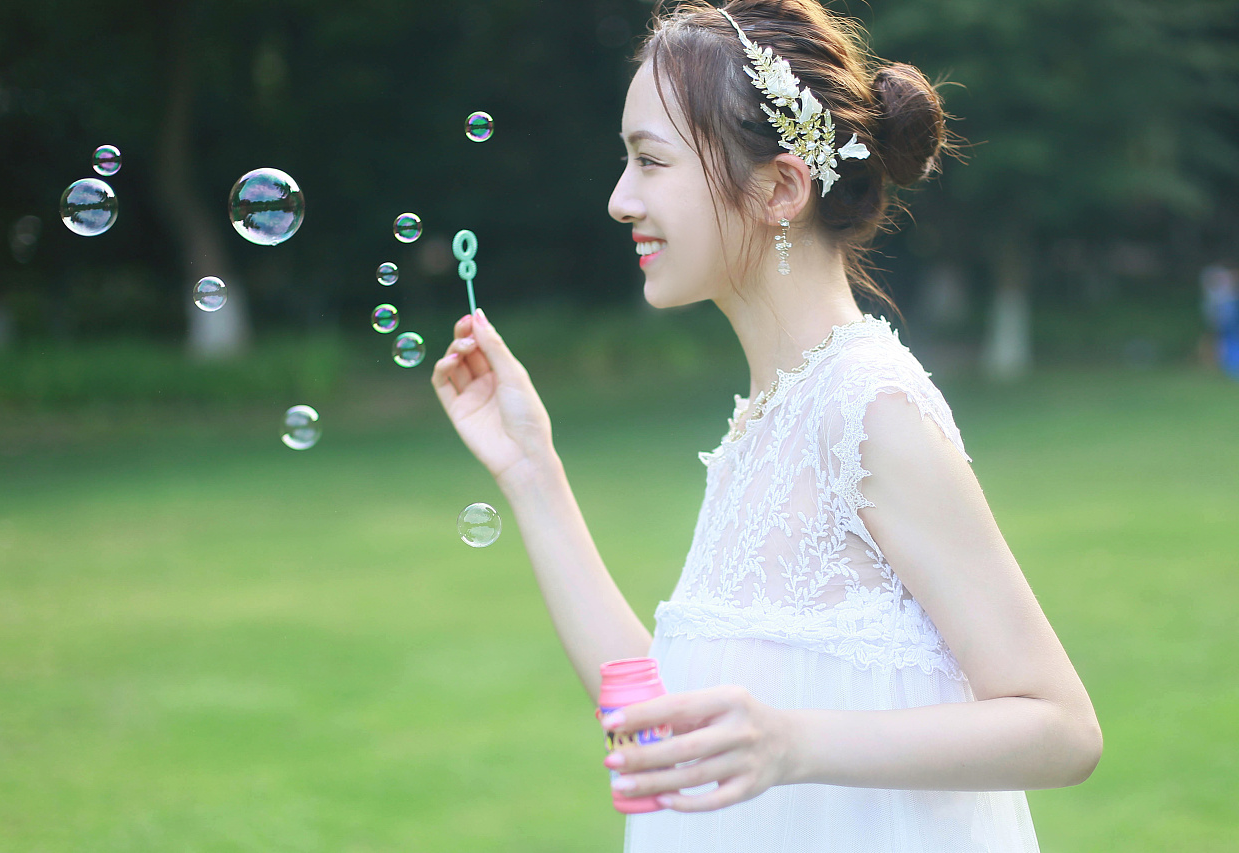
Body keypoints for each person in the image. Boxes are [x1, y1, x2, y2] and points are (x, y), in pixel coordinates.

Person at [431, 1, 1101, 849]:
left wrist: (793, 742)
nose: (618, 200)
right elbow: (658, 728)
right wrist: (530, 470)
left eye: (650, 161)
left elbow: (1063, 726)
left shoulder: (869, 408)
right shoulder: (763, 418)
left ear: (780, 187)